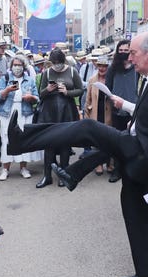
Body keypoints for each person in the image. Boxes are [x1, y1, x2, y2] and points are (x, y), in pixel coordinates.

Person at [7, 32, 148, 277]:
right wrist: (125, 107)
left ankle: (22, 140)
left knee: (89, 128)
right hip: (135, 150)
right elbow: (147, 116)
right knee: (133, 215)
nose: (129, 58)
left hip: (142, 154)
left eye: (133, 53)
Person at [34, 48, 84, 188]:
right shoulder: (47, 72)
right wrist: (48, 90)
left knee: (65, 143)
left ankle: (64, 174)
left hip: (66, 108)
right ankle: (47, 175)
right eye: (54, 62)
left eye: (59, 62)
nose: (57, 65)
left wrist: (67, 92)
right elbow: (40, 93)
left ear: (63, 61)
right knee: (49, 143)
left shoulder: (72, 71)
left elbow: (80, 90)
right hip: (49, 110)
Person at [0, 55, 41, 180]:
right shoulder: (5, 78)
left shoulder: (30, 80)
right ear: (11, 66)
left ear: (24, 66)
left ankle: (23, 167)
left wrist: (31, 98)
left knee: (23, 138)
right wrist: (7, 90)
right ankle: (5, 169)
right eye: (15, 65)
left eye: (19, 65)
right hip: (7, 111)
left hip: (25, 110)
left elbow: (37, 97)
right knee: (6, 138)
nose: (17, 67)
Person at [105, 41, 138, 183]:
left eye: (127, 50)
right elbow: (108, 88)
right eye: (121, 50)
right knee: (118, 141)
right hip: (117, 111)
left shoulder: (137, 68)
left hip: (134, 110)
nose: (124, 52)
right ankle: (117, 170)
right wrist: (111, 98)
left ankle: (132, 170)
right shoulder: (113, 69)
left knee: (134, 141)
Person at [83, 55, 112, 175]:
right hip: (95, 112)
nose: (102, 68)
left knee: (110, 140)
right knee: (97, 140)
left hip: (109, 113)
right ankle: (98, 164)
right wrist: (86, 115)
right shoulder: (92, 79)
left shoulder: (111, 78)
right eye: (100, 65)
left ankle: (110, 163)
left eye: (104, 66)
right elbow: (88, 99)